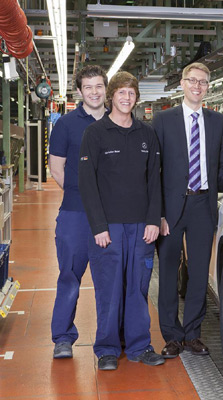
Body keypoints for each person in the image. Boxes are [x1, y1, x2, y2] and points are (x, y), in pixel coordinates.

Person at [153, 62, 223, 359]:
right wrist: (158, 213)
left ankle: (192, 334)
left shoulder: (218, 121)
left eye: (203, 82)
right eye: (192, 80)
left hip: (202, 205)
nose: (197, 86)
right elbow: (155, 171)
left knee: (198, 274)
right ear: (182, 84)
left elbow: (219, 168)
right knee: (168, 272)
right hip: (171, 207)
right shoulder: (163, 120)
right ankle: (172, 336)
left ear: (208, 87)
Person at [79, 71, 164, 370]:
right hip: (110, 227)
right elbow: (87, 184)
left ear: (136, 97)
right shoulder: (95, 134)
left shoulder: (146, 134)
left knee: (138, 288)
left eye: (131, 93)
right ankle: (107, 349)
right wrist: (98, 227)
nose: (126, 98)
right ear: (111, 96)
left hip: (141, 226)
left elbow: (154, 181)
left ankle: (140, 345)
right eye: (121, 92)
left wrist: (153, 219)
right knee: (109, 288)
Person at [49, 65, 107, 359]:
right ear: (80, 91)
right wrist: (80, 193)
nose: (94, 92)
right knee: (70, 275)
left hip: (113, 215)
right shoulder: (66, 124)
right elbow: (56, 168)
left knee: (109, 279)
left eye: (99, 86)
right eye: (88, 87)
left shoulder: (118, 120)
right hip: (75, 213)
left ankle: (110, 338)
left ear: (106, 89)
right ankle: (62, 337)